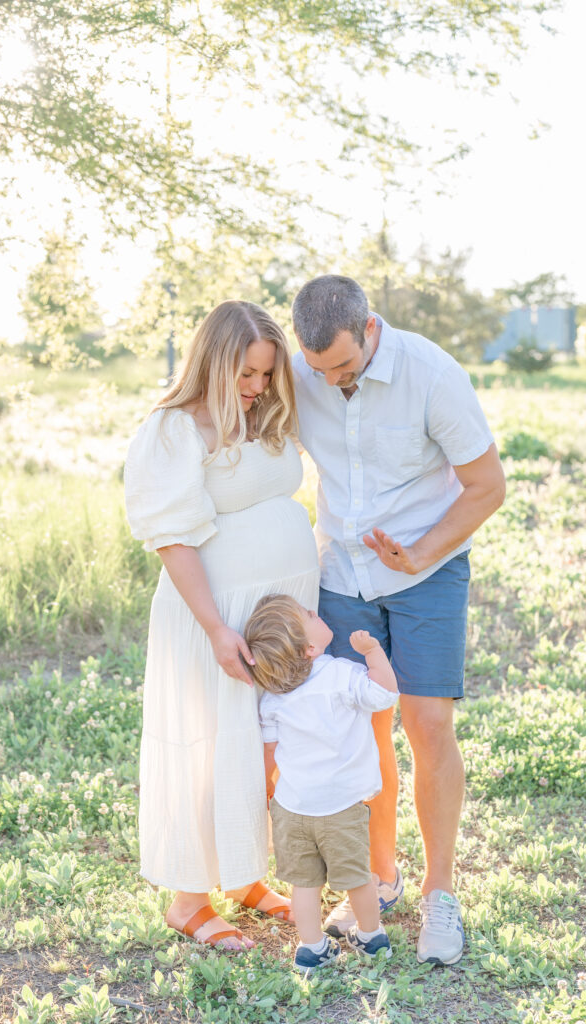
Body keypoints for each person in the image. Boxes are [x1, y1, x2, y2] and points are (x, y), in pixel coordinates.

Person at [291, 275, 506, 965]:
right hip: (343, 572)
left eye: (345, 368)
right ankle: (376, 878)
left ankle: (438, 893)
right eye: (320, 371)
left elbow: (486, 487)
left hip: (427, 570)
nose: (333, 381)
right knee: (356, 725)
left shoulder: (431, 374)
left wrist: (418, 554)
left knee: (427, 723)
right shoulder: (305, 374)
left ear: (371, 327)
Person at [124, 300, 320, 949]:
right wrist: (215, 628)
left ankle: (241, 876)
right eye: (245, 374)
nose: (257, 386)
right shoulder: (176, 427)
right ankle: (188, 899)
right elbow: (172, 538)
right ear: (211, 362)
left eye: (266, 374)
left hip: (276, 612)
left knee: (265, 747)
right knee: (211, 744)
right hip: (216, 613)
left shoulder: (264, 414)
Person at [244, 594, 398, 973]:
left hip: (292, 806)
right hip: (341, 806)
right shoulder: (343, 675)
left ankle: (311, 948)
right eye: (310, 614)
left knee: (305, 883)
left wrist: (266, 787)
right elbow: (384, 695)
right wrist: (374, 654)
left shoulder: (273, 698)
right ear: (310, 647)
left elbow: (270, 750)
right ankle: (371, 937)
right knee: (358, 877)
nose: (317, 613)